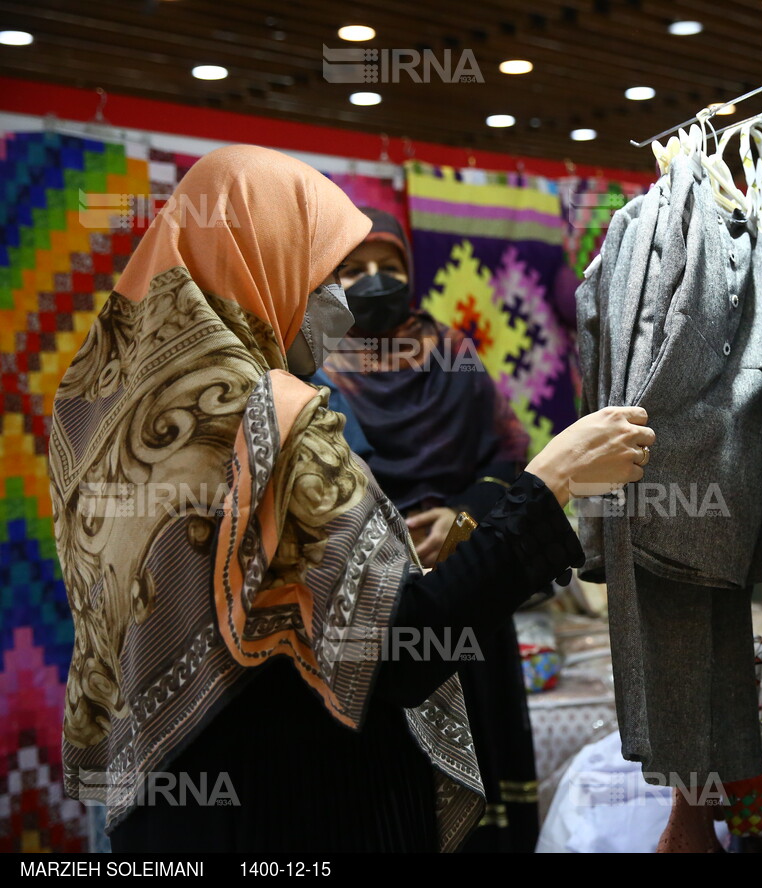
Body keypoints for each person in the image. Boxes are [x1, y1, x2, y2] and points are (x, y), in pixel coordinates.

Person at [46, 145, 656, 852]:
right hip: (303, 803)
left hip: (169, 804)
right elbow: (395, 648)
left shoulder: (92, 412)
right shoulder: (269, 418)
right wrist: (547, 488)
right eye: (325, 271)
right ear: (261, 258)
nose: (339, 299)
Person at [309, 207, 542, 851]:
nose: (375, 281)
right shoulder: (314, 371)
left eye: (390, 267)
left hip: (467, 582)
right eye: (353, 270)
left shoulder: (454, 356)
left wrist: (462, 517)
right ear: (328, 281)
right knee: (395, 795)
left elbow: (508, 457)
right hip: (375, 600)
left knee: (486, 798)